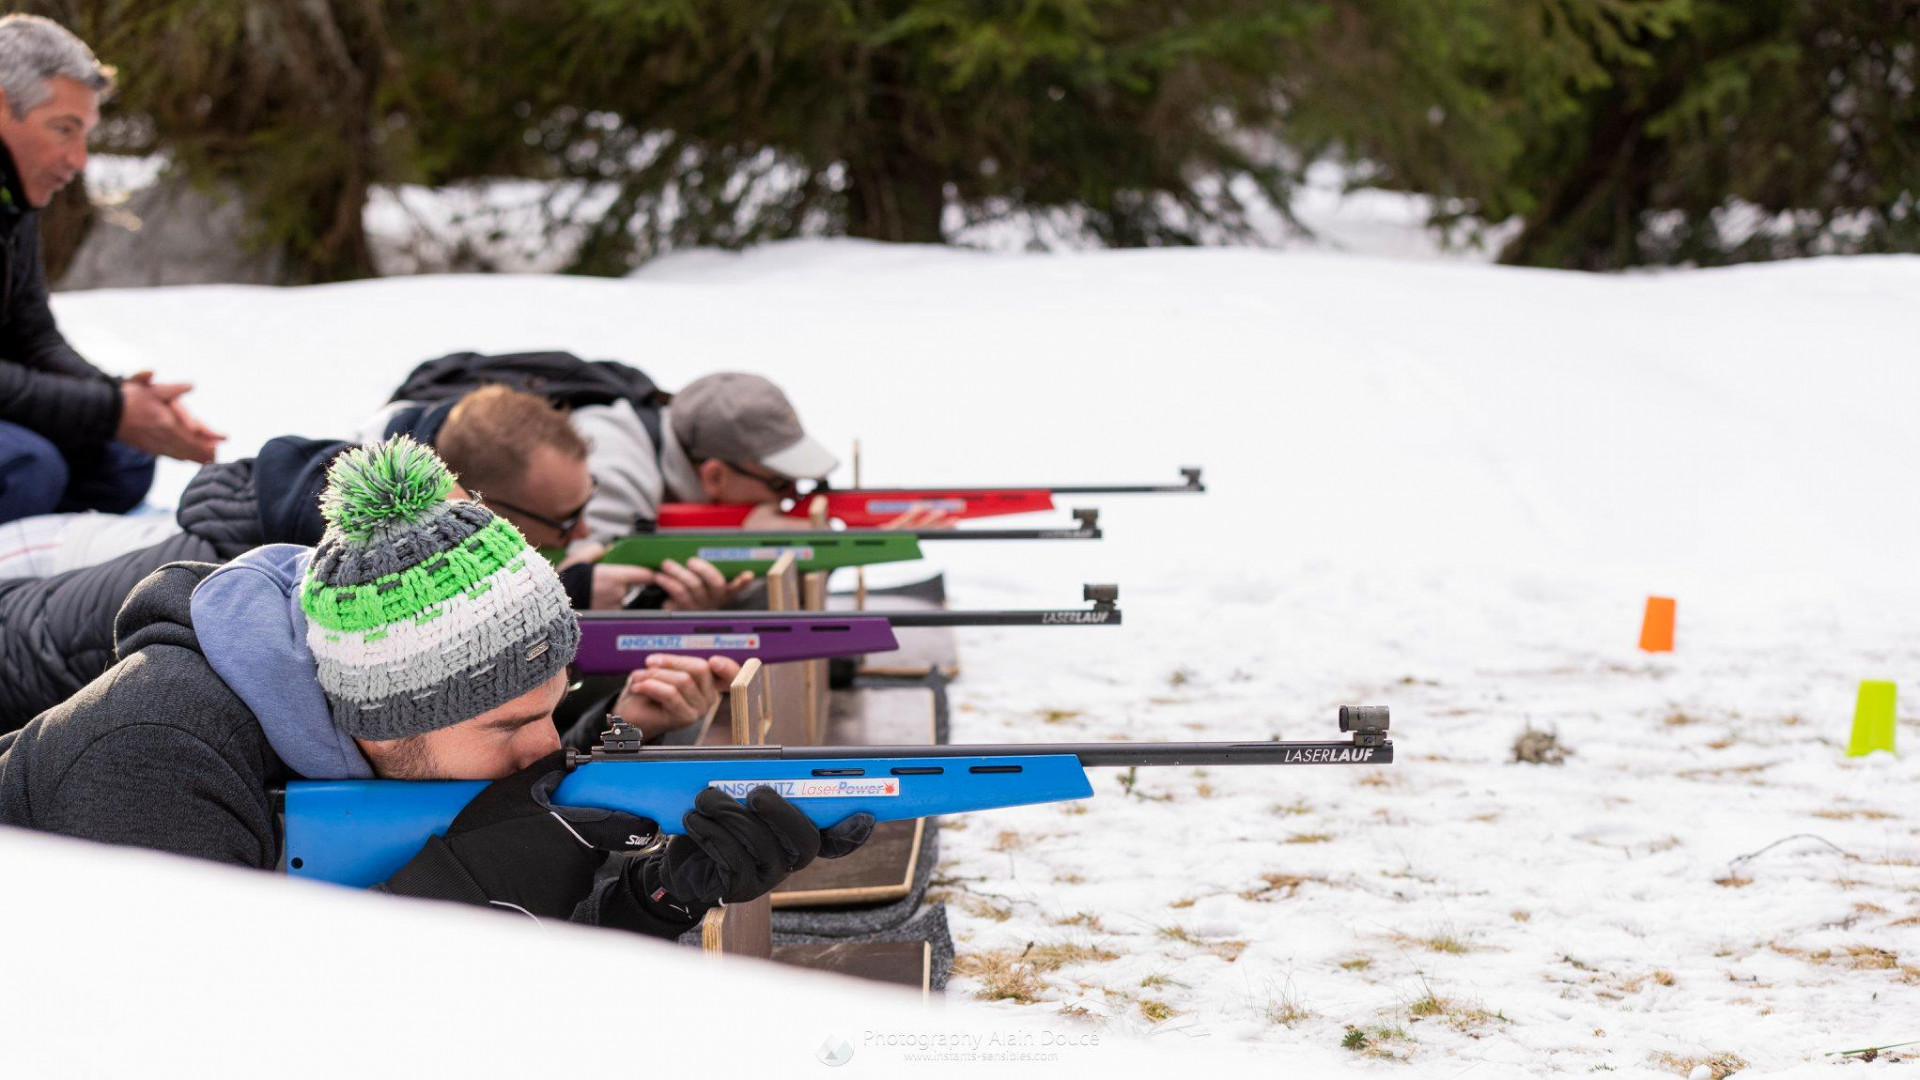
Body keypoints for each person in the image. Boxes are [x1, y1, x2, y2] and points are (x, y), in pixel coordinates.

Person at [0, 437, 870, 933]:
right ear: (380, 719)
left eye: (551, 710)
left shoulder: (354, 733)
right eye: (507, 726)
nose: (545, 749)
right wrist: (466, 881)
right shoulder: (149, 762)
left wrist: (657, 896)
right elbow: (225, 1036)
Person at [0, 385, 746, 733]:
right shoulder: (272, 590)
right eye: (564, 523)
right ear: (473, 498)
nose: (582, 534)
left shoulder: (363, 539)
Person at [0, 15, 220, 525]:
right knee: (28, 469)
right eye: (63, 129)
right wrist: (110, 410)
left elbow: (33, 337)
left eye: (84, 135)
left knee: (122, 464)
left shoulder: (14, 197)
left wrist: (126, 400)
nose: (78, 160)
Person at [365, 351, 947, 541]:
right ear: (713, 476)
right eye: (778, 483)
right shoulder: (616, 471)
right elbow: (598, 588)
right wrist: (752, 542)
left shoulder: (653, 436)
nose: (795, 495)